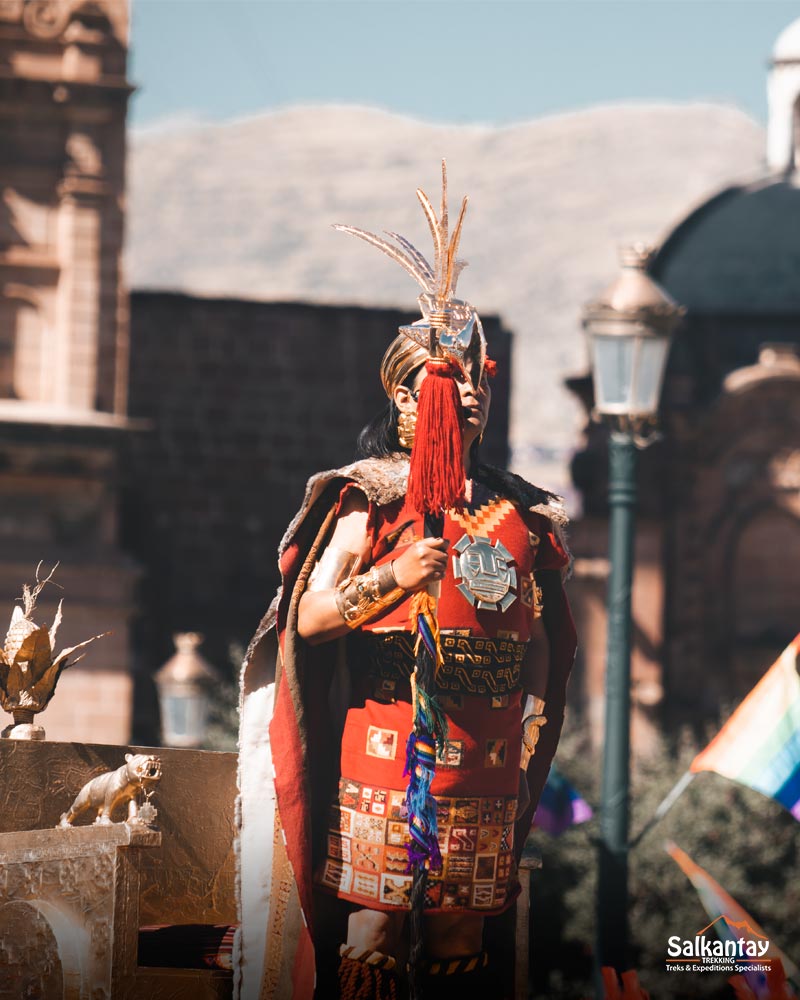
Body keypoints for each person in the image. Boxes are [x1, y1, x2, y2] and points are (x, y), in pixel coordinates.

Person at [236, 165, 576, 1000]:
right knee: (377, 926)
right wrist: (391, 576)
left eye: (476, 379)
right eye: (445, 379)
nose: (466, 394)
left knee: (463, 927)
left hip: (488, 754)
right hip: (386, 746)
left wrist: (531, 729)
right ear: (402, 397)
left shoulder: (525, 515)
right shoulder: (369, 498)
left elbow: (543, 644)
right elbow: (308, 621)